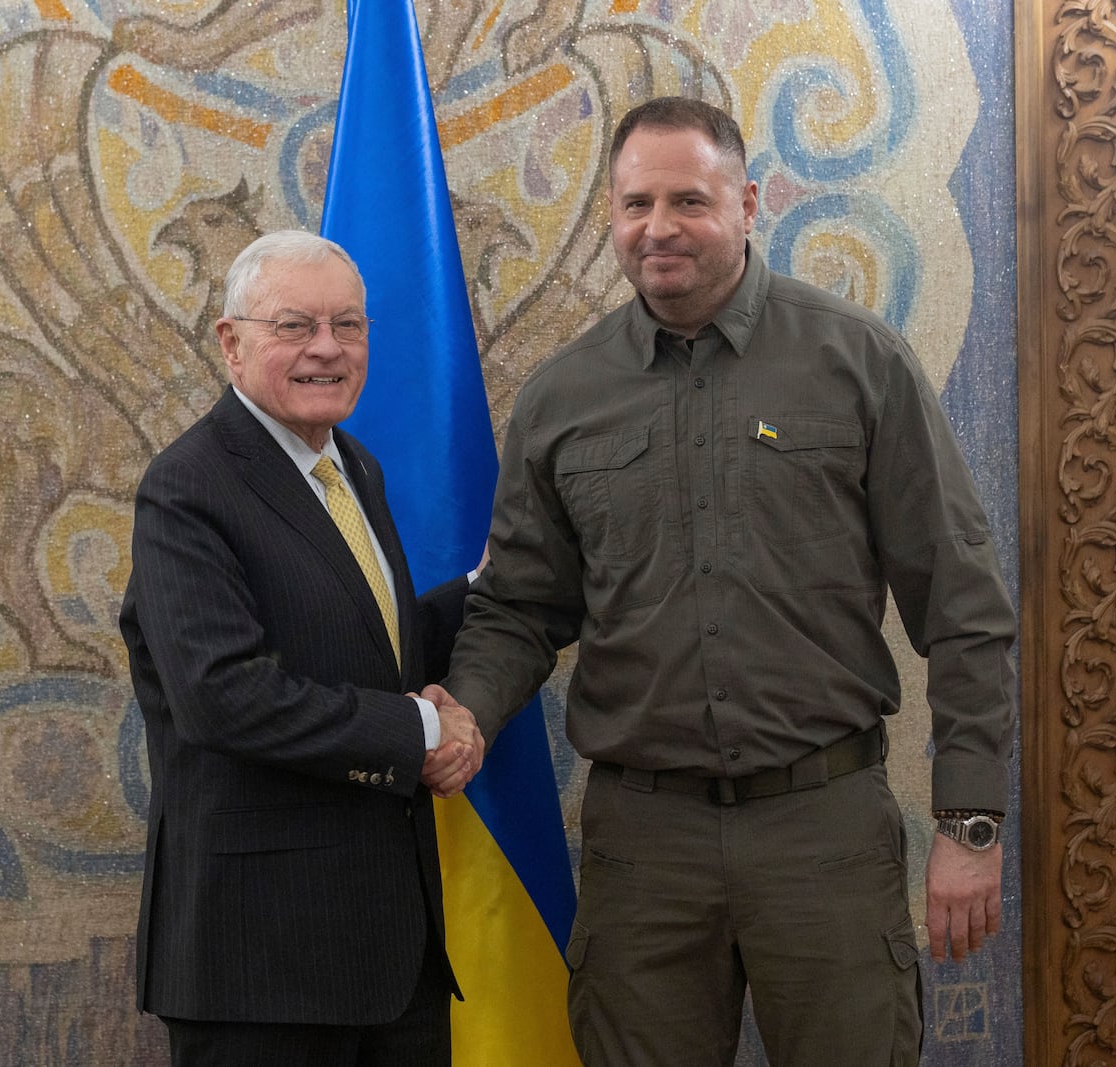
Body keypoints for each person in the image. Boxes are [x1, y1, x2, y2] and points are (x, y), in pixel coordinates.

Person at [426, 97, 1017, 1065]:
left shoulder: (856, 361)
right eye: (635, 202)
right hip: (642, 848)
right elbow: (519, 609)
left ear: (746, 203)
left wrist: (969, 820)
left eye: (688, 199)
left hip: (822, 832)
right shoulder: (562, 398)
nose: (658, 226)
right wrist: (469, 714)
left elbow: (963, 604)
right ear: (610, 216)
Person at [119, 230, 485, 1066]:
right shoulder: (188, 487)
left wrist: (487, 590)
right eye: (295, 325)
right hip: (262, 967)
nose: (327, 348)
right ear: (232, 340)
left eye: (348, 326)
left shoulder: (353, 465)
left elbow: (369, 653)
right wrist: (421, 734)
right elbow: (224, 694)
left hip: (391, 957)